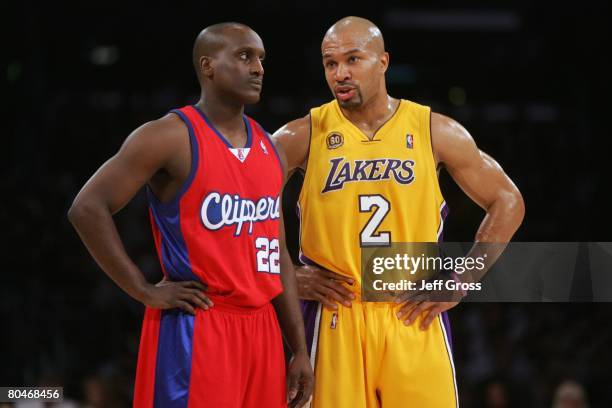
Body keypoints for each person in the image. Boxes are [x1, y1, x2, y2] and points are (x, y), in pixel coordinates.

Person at [273, 16, 525, 408]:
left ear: (383, 62)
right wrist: (283, 270)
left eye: (353, 59)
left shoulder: (434, 130)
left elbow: (508, 200)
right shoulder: (301, 135)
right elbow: (243, 205)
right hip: (336, 313)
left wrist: (464, 278)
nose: (341, 73)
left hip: (412, 312)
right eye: (330, 63)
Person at [68, 22, 313, 408]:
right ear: (208, 65)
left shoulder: (270, 147)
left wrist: (298, 348)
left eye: (262, 59)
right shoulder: (168, 136)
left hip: (263, 327)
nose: (258, 68)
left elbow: (277, 252)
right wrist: (142, 289)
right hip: (201, 323)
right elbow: (87, 207)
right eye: (245, 56)